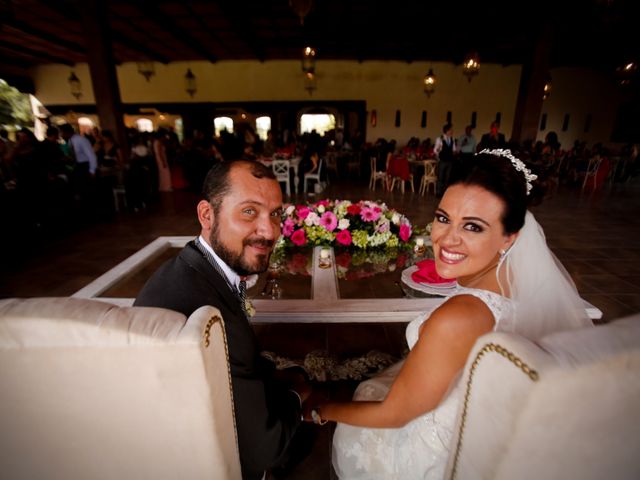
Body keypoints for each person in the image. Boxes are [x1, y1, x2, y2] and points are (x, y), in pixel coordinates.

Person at [306, 149, 592, 479]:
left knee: (361, 414)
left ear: (509, 237)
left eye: (473, 226)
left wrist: (321, 411)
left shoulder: (459, 317)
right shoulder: (524, 281)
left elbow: (396, 414)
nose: (447, 239)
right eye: (444, 218)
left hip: (434, 454)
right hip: (489, 428)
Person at [134, 160, 312, 480]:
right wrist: (299, 394)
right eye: (249, 211)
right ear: (206, 215)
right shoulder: (208, 319)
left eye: (275, 214)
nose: (269, 231)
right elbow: (264, 448)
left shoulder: (189, 267)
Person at [433, 123, 458, 196]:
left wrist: (455, 151)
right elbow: (435, 150)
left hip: (450, 160)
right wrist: (439, 154)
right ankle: (438, 192)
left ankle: (445, 193)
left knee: (447, 177)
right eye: (451, 130)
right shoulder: (440, 139)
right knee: (440, 177)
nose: (452, 131)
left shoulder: (452, 139)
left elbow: (453, 149)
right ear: (447, 130)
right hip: (443, 160)